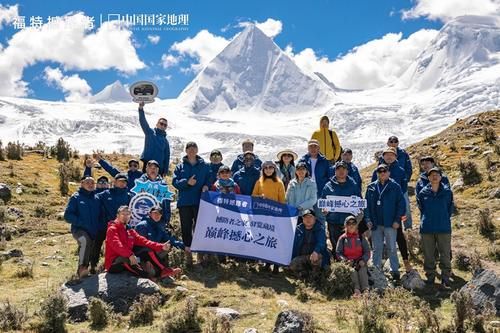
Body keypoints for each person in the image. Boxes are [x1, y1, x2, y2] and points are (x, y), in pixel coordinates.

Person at [105, 206, 181, 279]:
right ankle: (150, 278)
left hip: (128, 258)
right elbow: (117, 245)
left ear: (130, 216)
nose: (125, 216)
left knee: (146, 252)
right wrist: (130, 254)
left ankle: (163, 270)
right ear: (117, 215)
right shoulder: (112, 229)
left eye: (127, 214)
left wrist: (161, 246)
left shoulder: (130, 231)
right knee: (130, 263)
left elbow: (144, 241)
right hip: (114, 262)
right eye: (123, 214)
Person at [372, 147, 413, 272]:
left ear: (396, 157)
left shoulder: (400, 170)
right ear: (383, 156)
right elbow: (373, 188)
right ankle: (378, 264)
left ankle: (405, 261)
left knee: (399, 234)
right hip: (379, 210)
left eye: (392, 155)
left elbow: (404, 189)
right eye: (386, 155)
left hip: (394, 210)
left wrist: (399, 211)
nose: (389, 157)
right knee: (378, 237)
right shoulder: (377, 170)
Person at [365, 164, 406, 280]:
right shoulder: (371, 187)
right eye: (379, 171)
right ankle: (376, 269)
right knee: (376, 248)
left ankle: (395, 271)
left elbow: (401, 204)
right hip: (375, 223)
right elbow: (366, 205)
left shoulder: (395, 186)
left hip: (390, 223)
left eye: (384, 171)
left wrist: (397, 220)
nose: (382, 173)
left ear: (389, 173)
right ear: (377, 173)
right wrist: (368, 219)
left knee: (392, 247)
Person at [172, 141, 210, 265]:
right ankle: (188, 253)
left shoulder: (204, 165)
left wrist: (206, 185)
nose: (192, 150)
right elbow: (174, 182)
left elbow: (210, 179)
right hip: (185, 202)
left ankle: (200, 253)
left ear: (197, 150)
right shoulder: (180, 166)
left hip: (200, 201)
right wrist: (187, 182)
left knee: (199, 227)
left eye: (194, 148)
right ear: (186, 150)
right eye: (189, 148)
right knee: (186, 227)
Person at [417, 167, 454, 288]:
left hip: (443, 227)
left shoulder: (447, 192)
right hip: (427, 228)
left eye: (436, 174)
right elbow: (421, 208)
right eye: (431, 175)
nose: (434, 176)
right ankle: (430, 277)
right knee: (428, 254)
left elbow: (450, 208)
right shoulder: (423, 193)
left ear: (441, 177)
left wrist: (442, 218)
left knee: (445, 254)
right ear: (428, 178)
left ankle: (445, 278)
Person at [92, 173, 133, 274]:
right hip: (104, 225)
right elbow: (91, 196)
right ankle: (93, 266)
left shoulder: (129, 196)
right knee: (97, 245)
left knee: (119, 246)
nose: (122, 183)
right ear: (114, 182)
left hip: (121, 227)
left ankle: (116, 265)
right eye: (120, 181)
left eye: (124, 181)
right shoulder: (106, 193)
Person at [64, 176, 100, 278]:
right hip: (79, 229)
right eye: (87, 182)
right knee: (85, 240)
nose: (90, 184)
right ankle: (82, 268)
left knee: (90, 247)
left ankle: (89, 268)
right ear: (82, 184)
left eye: (92, 183)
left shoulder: (97, 198)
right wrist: (81, 222)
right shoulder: (76, 197)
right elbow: (67, 215)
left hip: (93, 230)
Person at [321, 161, 361, 250]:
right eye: (338, 169)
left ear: (347, 171)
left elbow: (359, 201)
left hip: (349, 222)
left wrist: (358, 211)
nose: (341, 171)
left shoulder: (353, 185)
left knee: (349, 245)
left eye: (343, 169)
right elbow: (323, 202)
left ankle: (349, 262)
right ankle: (337, 261)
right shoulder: (328, 186)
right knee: (335, 245)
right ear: (335, 171)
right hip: (333, 221)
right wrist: (324, 209)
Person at [298, 139, 333, 222]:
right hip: (305, 194)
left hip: (320, 193)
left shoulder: (325, 161)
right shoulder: (302, 161)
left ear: (319, 148)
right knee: (305, 216)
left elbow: (329, 178)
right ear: (308, 148)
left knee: (321, 217)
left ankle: (321, 234)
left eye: (315, 146)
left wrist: (327, 193)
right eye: (311, 146)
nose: (313, 148)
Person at [336, 216, 371, 296]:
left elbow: (367, 251)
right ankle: (357, 290)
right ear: (346, 226)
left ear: (356, 225)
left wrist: (363, 260)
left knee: (362, 270)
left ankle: (366, 290)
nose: (351, 225)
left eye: (353, 223)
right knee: (353, 272)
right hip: (349, 263)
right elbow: (338, 253)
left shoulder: (361, 237)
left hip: (360, 262)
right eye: (349, 223)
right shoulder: (342, 239)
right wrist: (345, 261)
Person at [290, 209, 330, 276]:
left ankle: (317, 275)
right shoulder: (298, 229)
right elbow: (294, 246)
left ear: (315, 218)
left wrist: (316, 251)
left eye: (310, 217)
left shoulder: (320, 228)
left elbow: (321, 243)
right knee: (293, 264)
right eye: (305, 217)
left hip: (315, 256)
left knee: (317, 258)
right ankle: (306, 273)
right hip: (303, 257)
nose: (308, 219)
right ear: (302, 219)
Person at [138, 101, 170, 176]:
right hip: (147, 165)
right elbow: (143, 122)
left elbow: (167, 156)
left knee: (157, 187)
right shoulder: (149, 132)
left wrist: (165, 170)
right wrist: (141, 109)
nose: (163, 126)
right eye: (161, 123)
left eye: (165, 125)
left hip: (159, 168)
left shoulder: (165, 141)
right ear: (157, 124)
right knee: (145, 185)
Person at [136, 160, 172, 225]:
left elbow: (166, 205)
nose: (153, 169)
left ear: (158, 170)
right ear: (146, 169)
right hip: (142, 219)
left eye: (155, 168)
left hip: (159, 220)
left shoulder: (163, 185)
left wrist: (166, 220)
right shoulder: (139, 183)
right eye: (150, 167)